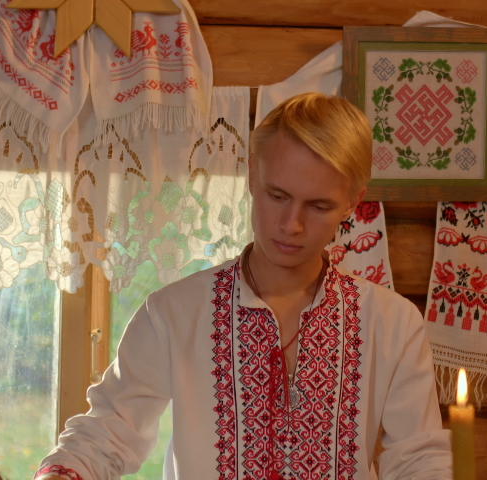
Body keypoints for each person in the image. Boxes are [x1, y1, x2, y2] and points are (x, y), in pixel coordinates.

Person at [35, 92, 453, 480]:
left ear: (352, 202)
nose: (292, 224)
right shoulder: (173, 314)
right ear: (253, 176)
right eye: (277, 195)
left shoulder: (393, 323)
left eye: (319, 205)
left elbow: (417, 460)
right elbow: (108, 432)